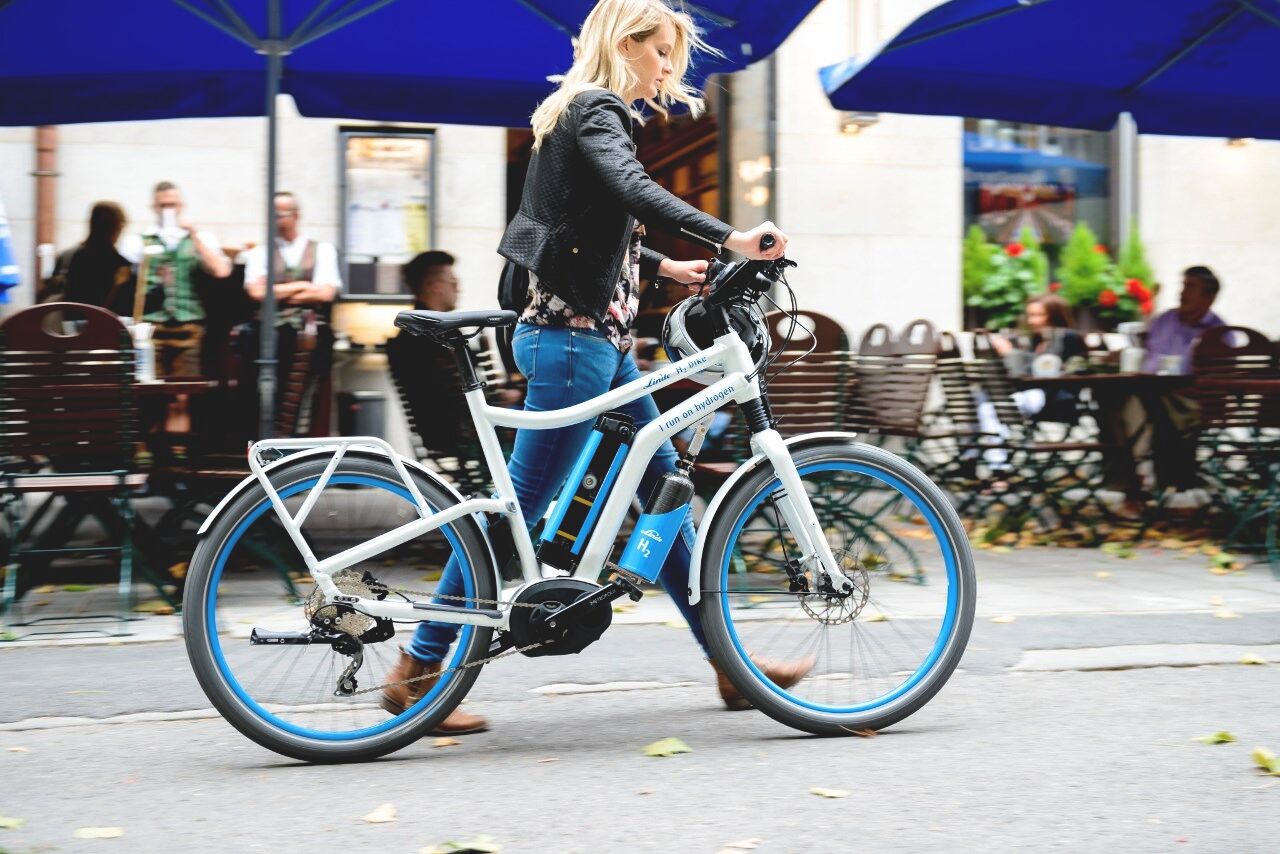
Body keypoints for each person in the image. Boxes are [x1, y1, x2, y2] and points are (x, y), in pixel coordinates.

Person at [382, 0, 812, 734]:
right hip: (572, 344)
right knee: (519, 505)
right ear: (627, 43)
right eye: (661, 51)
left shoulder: (576, 113)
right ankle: (418, 666)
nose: (668, 68)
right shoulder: (596, 109)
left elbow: (594, 223)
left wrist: (664, 265)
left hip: (594, 346)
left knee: (663, 491)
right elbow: (631, 188)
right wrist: (731, 237)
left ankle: (730, 665)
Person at [238, 191, 342, 437]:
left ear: (295, 215)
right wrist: (304, 285)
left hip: (309, 333)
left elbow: (326, 293)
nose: (275, 220)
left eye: (280, 214)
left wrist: (275, 290)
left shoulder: (322, 250)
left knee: (307, 393)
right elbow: (256, 293)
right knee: (266, 389)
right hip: (270, 334)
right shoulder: (260, 252)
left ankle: (301, 438)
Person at [119, 181, 232, 377]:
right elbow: (122, 281)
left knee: (186, 385)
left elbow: (221, 271)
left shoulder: (199, 238)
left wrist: (193, 234)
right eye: (163, 205)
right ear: (154, 207)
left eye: (173, 205)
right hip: (149, 325)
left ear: (181, 206)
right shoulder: (139, 240)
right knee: (149, 384)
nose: (168, 210)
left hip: (189, 323)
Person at [1141, 266, 1225, 374]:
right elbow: (1145, 352)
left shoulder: (1220, 333)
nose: (1182, 293)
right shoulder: (1164, 320)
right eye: (1184, 286)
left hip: (1194, 384)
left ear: (1209, 298)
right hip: (1149, 382)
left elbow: (1223, 373)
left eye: (1191, 287)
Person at [60, 202, 135, 314]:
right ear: (116, 227)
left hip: (72, 321)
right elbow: (126, 306)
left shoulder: (71, 256)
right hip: (103, 323)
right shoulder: (120, 265)